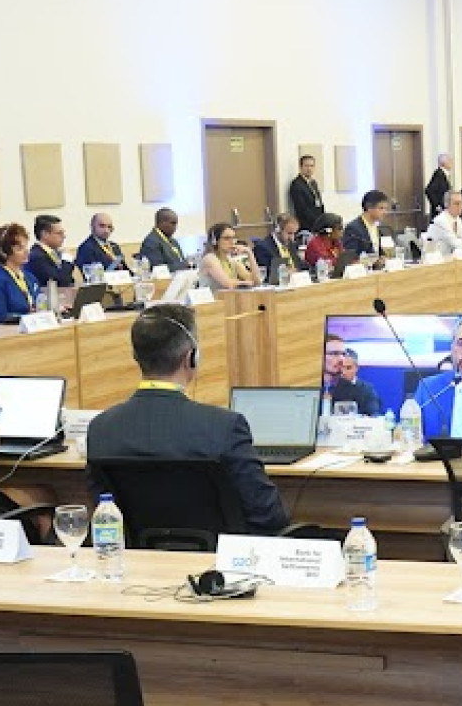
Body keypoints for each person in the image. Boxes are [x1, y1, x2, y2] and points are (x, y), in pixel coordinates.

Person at [86, 305, 289, 534]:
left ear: (136, 357)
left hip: (140, 561)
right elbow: (268, 515)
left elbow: (105, 512)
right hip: (220, 562)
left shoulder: (100, 429)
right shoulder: (224, 427)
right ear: (191, 357)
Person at [0, 223, 41, 326]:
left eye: (26, 246)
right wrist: (27, 317)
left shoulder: (30, 277)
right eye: (19, 248)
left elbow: (39, 304)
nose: (26, 251)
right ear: (4, 252)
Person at [322, 334, 383, 420]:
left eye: (343, 354)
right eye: (334, 354)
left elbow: (373, 417)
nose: (341, 359)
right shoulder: (309, 387)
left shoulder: (357, 389)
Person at [341, 191, 394, 269]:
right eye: (381, 208)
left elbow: (380, 252)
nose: (385, 212)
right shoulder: (353, 228)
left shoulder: (378, 227)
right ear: (369, 207)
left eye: (386, 209)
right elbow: (350, 259)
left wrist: (382, 258)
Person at [199, 222, 259, 291]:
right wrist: (245, 282)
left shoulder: (231, 260)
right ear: (215, 241)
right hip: (212, 300)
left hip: (229, 299)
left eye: (234, 238)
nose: (232, 242)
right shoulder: (210, 259)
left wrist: (249, 253)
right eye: (227, 238)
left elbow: (256, 281)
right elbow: (228, 284)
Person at [24, 214, 75, 289]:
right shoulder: (37, 256)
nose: (64, 236)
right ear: (45, 234)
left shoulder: (54, 252)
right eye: (59, 233)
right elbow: (61, 282)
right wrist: (66, 261)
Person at [253, 212, 303, 283]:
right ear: (278, 230)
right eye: (289, 233)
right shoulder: (262, 248)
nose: (292, 238)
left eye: (294, 233)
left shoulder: (291, 244)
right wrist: (285, 273)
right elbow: (264, 275)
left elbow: (299, 265)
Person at [425, 189, 462, 254]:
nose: (460, 206)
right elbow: (458, 245)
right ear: (447, 205)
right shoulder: (441, 221)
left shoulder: (458, 220)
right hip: (435, 261)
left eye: (461, 203)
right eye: (456, 203)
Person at [139, 208, 188, 272]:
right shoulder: (151, 242)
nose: (175, 227)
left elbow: (182, 260)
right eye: (173, 223)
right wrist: (183, 265)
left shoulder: (173, 241)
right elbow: (158, 269)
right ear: (162, 223)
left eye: (176, 224)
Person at [288, 154, 325, 234]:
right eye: (306, 166)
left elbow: (319, 202)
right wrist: (316, 222)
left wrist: (323, 220)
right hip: (306, 226)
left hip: (318, 225)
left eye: (312, 166)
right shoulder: (296, 184)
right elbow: (302, 209)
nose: (309, 169)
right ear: (301, 167)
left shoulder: (313, 183)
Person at [424, 154, 453, 218]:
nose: (452, 162)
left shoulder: (444, 174)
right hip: (440, 212)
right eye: (449, 160)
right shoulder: (439, 174)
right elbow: (429, 190)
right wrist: (437, 205)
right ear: (443, 163)